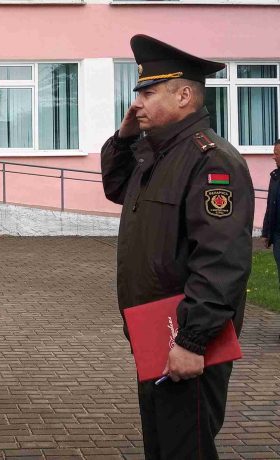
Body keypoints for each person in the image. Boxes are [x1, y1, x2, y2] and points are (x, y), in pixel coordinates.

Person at [101, 35, 254, 458]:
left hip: (184, 342)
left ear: (184, 95)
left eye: (148, 93)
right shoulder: (156, 155)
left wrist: (192, 340)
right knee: (163, 446)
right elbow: (115, 187)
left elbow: (221, 260)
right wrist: (124, 137)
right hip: (156, 334)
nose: (137, 103)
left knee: (186, 449)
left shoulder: (211, 160)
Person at [260, 139, 280, 328]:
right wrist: (266, 233)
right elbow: (270, 206)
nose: (274, 156)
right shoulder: (275, 177)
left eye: (277, 153)